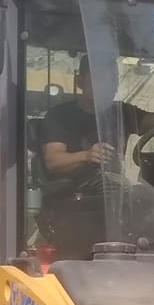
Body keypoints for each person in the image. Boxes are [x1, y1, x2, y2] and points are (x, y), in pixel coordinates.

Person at [38, 60, 113, 259]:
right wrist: (87, 155)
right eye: (100, 78)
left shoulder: (119, 113)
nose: (108, 85)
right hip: (73, 202)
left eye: (113, 79)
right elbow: (53, 161)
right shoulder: (59, 116)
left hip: (113, 200)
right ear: (79, 81)